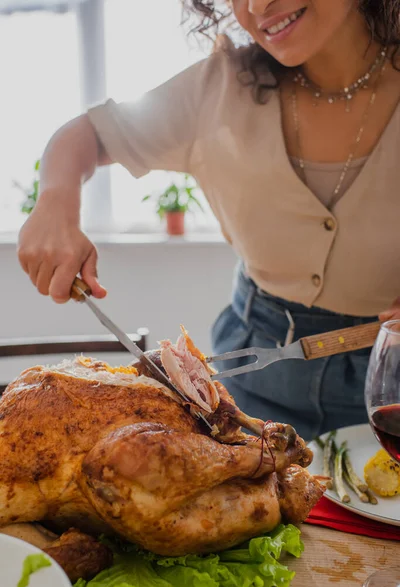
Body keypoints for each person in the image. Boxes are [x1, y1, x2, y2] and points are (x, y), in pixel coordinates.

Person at [17, 0, 400, 440]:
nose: (257, 6)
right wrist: (54, 204)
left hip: (389, 375)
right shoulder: (216, 87)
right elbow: (83, 135)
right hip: (251, 370)